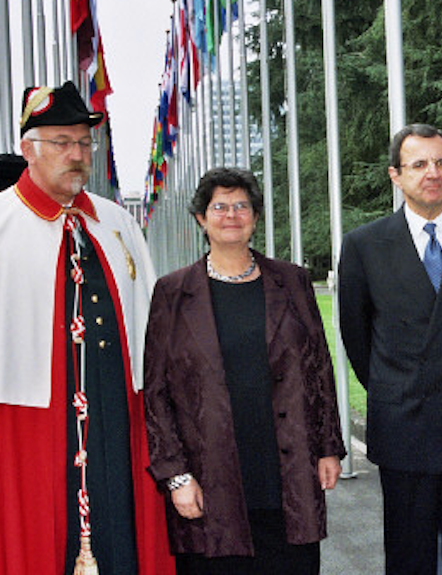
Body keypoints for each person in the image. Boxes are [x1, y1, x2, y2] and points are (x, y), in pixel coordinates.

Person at [0, 81, 173, 574]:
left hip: (113, 414)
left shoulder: (117, 224)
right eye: (61, 143)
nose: (77, 155)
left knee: (118, 534)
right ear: (28, 150)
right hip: (21, 422)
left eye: (84, 144)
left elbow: (150, 321)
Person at [143, 167, 346, 575]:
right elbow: (157, 392)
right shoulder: (173, 292)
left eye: (241, 206)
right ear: (201, 218)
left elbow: (318, 369)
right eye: (219, 206)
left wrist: (328, 446)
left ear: (255, 216)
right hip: (209, 477)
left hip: (285, 472)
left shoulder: (292, 281)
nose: (231, 214)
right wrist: (176, 475)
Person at [338, 123, 442, 574]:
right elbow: (357, 337)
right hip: (404, 428)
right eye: (418, 164)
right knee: (409, 557)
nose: (432, 173)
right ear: (396, 176)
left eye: (440, 163)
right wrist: (397, 385)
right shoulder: (363, 246)